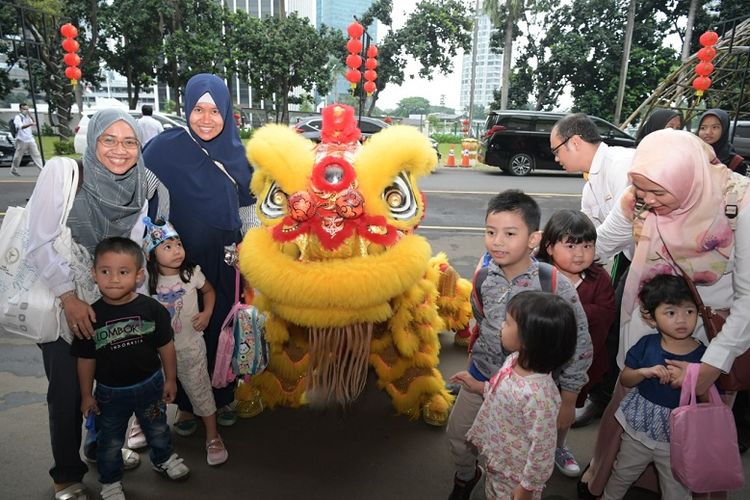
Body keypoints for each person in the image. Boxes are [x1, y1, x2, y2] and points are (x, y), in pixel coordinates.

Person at [579, 129, 750, 497]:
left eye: (659, 193)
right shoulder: (641, 192)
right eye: (643, 192)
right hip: (642, 324)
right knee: (633, 405)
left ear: (686, 177)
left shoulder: (740, 202)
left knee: (688, 421)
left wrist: (713, 364)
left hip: (704, 336)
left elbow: (748, 298)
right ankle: (613, 477)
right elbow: (604, 244)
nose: (650, 201)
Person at [26, 109, 149, 500]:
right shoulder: (65, 173)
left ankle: (102, 446)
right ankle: (66, 473)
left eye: (129, 141)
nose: (119, 150)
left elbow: (131, 248)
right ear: (92, 140)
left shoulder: (137, 186)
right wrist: (69, 297)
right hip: (63, 302)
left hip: (109, 302)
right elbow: (39, 241)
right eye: (108, 139)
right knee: (65, 389)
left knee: (109, 384)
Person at [446, 190, 593, 500]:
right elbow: (482, 317)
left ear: (533, 238)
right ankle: (466, 476)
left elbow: (579, 343)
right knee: (459, 436)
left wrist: (568, 399)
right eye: (491, 232)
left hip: (528, 389)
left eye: (509, 233)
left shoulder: (552, 284)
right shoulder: (484, 278)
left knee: (518, 451)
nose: (497, 241)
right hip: (483, 375)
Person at [143, 73, 255, 433]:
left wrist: (250, 251)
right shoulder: (163, 149)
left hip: (225, 261)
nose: (206, 119)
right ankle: (187, 407)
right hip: (179, 263)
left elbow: (248, 209)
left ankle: (222, 397)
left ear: (227, 112)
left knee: (220, 329)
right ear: (186, 109)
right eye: (198, 110)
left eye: (214, 111)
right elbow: (144, 199)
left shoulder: (238, 156)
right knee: (183, 332)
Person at [72, 237, 190, 500]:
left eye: (123, 272)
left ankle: (163, 458)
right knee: (110, 440)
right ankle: (111, 481)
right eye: (105, 272)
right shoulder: (90, 316)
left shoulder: (152, 309)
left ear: (138, 276)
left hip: (150, 384)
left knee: (158, 427)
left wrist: (171, 380)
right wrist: (86, 394)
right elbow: (85, 359)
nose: (114, 279)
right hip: (109, 394)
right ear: (94, 274)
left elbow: (166, 346)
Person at [551, 113, 636, 428]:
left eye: (556, 150)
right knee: (614, 328)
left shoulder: (621, 163)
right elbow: (589, 231)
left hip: (655, 255)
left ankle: (606, 399)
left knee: (616, 326)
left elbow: (622, 223)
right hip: (631, 255)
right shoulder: (590, 184)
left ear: (574, 141)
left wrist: (581, 256)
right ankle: (604, 396)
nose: (556, 158)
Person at [450, 291, 578, 500]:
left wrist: (527, 488)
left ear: (529, 340)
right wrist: (478, 386)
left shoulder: (540, 397)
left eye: (508, 323)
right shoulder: (513, 360)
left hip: (515, 474)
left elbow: (543, 450)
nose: (501, 325)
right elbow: (503, 396)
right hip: (499, 457)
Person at [602, 274, 705, 500]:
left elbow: (706, 394)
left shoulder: (703, 354)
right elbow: (626, 379)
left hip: (678, 438)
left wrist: (692, 377)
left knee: (677, 488)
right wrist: (643, 372)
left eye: (689, 311)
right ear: (651, 317)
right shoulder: (646, 345)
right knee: (622, 473)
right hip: (640, 430)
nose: (682, 320)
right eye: (671, 312)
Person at [143, 217, 228, 466]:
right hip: (157, 352)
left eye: (178, 244)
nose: (177, 250)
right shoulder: (146, 282)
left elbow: (209, 291)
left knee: (201, 389)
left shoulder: (191, 273)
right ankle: (142, 427)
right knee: (151, 394)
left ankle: (212, 436)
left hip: (190, 346)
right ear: (150, 255)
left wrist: (207, 313)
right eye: (167, 247)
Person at [537, 209, 616, 418]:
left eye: (587, 246)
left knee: (565, 413)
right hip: (540, 363)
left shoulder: (599, 279)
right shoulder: (539, 275)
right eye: (570, 246)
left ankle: (559, 447)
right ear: (550, 247)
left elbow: (606, 314)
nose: (580, 254)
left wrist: (564, 309)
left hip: (581, 361)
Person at [697, 108, 746, 175]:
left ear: (724, 130)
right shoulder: (692, 154)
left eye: (715, 127)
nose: (708, 132)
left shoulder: (735, 162)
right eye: (703, 128)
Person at [10, 102, 44, 175]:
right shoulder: (18, 117)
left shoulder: (28, 117)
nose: (26, 110)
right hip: (22, 139)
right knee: (18, 156)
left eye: (27, 109)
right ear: (20, 109)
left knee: (36, 155)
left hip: (30, 139)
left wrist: (31, 115)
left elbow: (34, 122)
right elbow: (20, 127)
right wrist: (30, 124)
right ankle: (14, 169)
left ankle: (42, 170)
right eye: (24, 109)